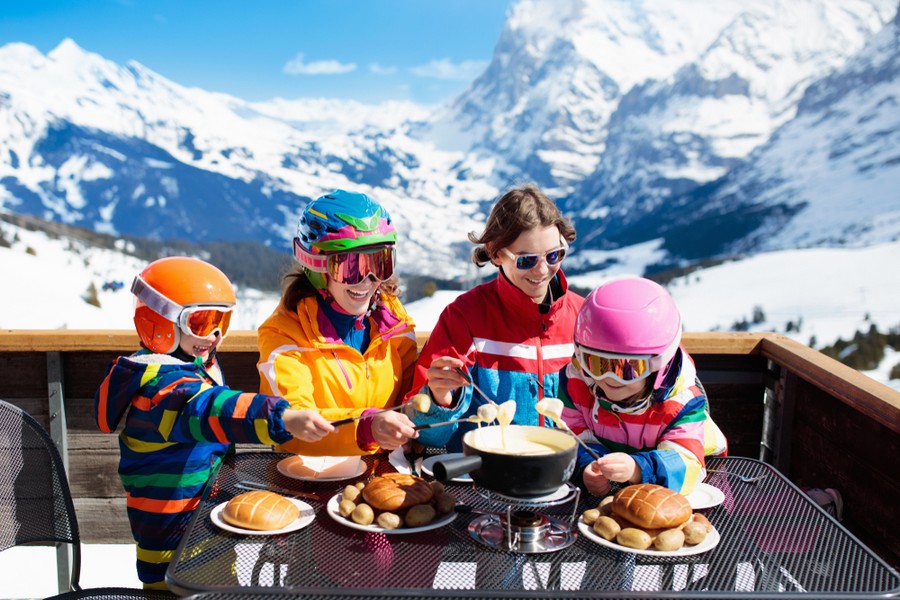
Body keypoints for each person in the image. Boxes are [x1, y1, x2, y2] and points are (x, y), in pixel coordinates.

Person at [94, 256, 334, 589]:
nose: (215, 335)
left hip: (202, 529)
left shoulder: (190, 368)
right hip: (175, 550)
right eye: (201, 322)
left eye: (222, 320)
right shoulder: (161, 389)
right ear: (160, 322)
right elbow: (211, 409)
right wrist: (281, 416)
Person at [409, 183, 584, 452]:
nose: (542, 270)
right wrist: (439, 398)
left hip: (564, 468)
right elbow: (427, 436)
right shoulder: (465, 317)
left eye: (554, 256)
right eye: (526, 260)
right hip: (487, 469)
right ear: (496, 253)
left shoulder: (583, 319)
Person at [257, 190, 419, 456]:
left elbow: (411, 391)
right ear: (317, 267)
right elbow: (292, 420)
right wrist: (365, 427)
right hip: (311, 473)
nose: (366, 280)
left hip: (384, 469)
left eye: (379, 263)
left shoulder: (391, 319)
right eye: (350, 267)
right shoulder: (285, 333)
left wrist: (438, 395)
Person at [557, 276, 728, 497]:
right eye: (597, 364)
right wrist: (589, 465)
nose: (610, 378)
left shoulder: (681, 404)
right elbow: (572, 435)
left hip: (696, 486)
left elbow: (687, 463)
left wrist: (638, 469)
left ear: (660, 365)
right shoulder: (577, 385)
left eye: (627, 369)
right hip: (618, 493)